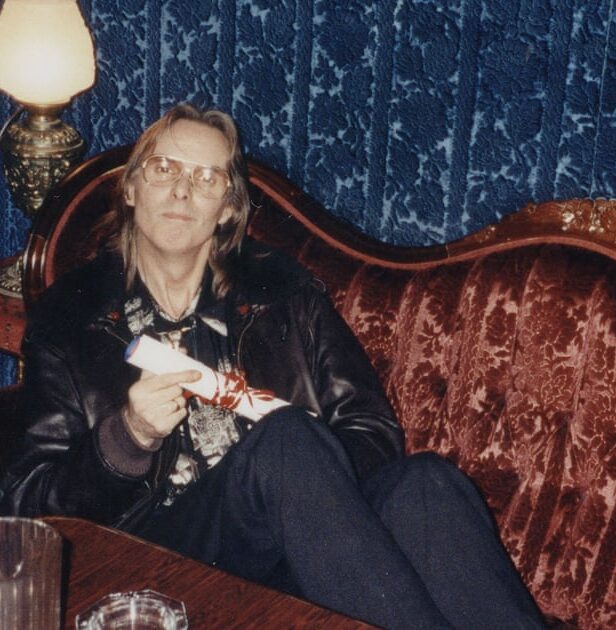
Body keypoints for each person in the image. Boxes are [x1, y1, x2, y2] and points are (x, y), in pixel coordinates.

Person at [0, 104, 544, 629]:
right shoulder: (70, 316)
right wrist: (128, 437)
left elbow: (371, 429)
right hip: (156, 553)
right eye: (163, 169)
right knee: (284, 440)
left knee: (427, 484)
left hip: (293, 551)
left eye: (207, 178)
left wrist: (308, 498)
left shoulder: (281, 291)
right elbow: (28, 506)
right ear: (132, 188)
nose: (182, 190)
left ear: (229, 207)